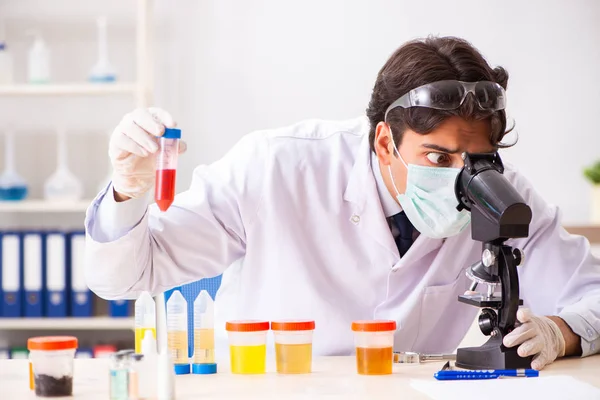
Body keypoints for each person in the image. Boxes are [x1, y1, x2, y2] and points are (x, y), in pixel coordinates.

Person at [85, 36, 600, 370]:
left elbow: (593, 294)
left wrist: (561, 331)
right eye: (438, 158)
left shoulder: (498, 193)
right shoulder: (275, 167)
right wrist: (128, 187)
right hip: (270, 391)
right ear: (384, 142)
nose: (460, 179)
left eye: (476, 159)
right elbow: (123, 280)